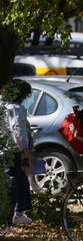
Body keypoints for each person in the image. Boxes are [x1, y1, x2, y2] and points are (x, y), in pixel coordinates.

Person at [2, 79, 35, 230]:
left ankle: (19, 212)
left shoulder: (4, 107)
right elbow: (18, 131)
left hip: (6, 151)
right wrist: (26, 151)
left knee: (21, 181)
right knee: (12, 186)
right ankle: (6, 222)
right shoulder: (16, 109)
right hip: (12, 152)